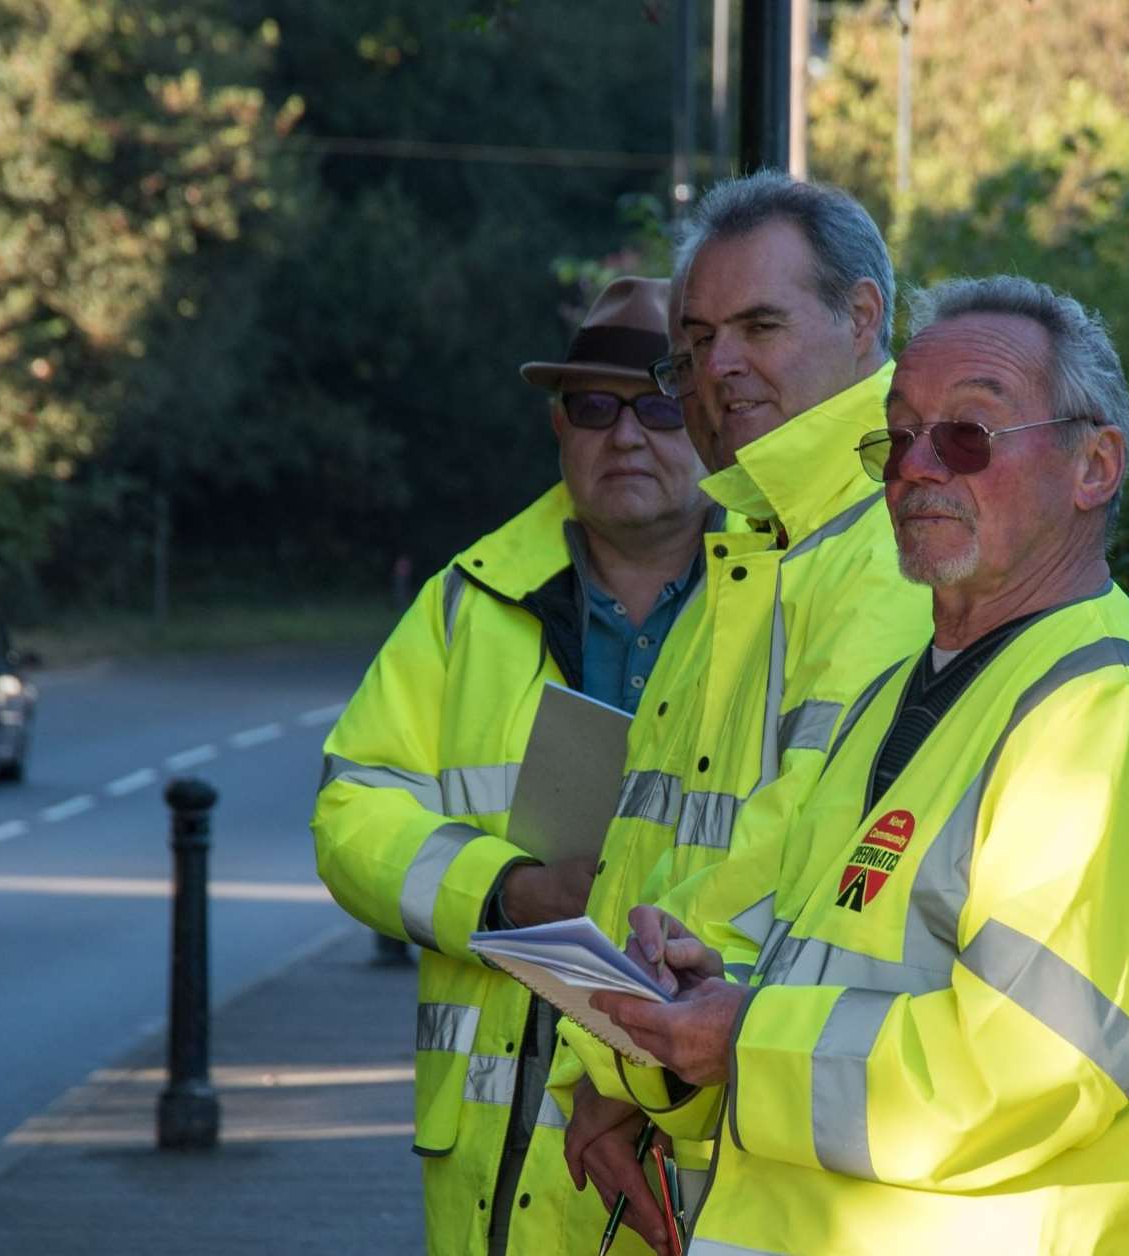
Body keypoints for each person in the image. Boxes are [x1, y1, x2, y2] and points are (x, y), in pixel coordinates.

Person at [595, 275, 1129, 1254]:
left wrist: (746, 1037)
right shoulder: (900, 697)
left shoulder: (1103, 717)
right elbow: (835, 970)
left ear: (1095, 465)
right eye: (895, 436)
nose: (914, 467)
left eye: (966, 434)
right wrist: (703, 996)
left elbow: (1023, 1073)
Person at [555, 170, 935, 1256]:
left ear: (863, 318)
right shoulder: (750, 540)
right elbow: (661, 850)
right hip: (715, 1117)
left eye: (759, 324)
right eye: (697, 339)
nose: (718, 368)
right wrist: (618, 1068)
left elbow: (797, 851)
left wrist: (618, 1063)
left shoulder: (885, 539)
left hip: (785, 1136)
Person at [311, 275, 714, 1256]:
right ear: (556, 424)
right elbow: (352, 812)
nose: (625, 434)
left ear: (709, 416)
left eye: (660, 403)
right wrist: (506, 890)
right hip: (506, 1171)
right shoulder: (468, 600)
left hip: (694, 1152)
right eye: (593, 406)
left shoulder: (787, 603)